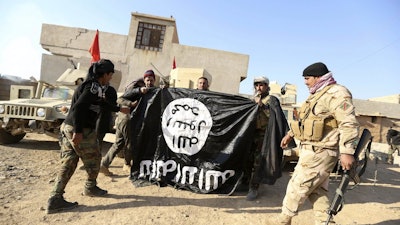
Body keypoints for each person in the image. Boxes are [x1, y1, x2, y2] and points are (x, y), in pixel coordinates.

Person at [271, 62, 360, 225]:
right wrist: (290, 134)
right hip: (310, 151)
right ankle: (325, 222)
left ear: (318, 77)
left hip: (321, 152)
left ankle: (283, 220)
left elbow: (348, 123)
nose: (305, 82)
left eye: (307, 78)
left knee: (296, 188)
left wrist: (347, 151)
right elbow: (306, 120)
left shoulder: (338, 93)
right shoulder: (317, 94)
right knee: (317, 192)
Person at [46, 59, 129, 214]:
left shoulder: (93, 86)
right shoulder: (93, 87)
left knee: (70, 161)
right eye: (110, 74)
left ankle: (55, 198)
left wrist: (119, 108)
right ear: (105, 74)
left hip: (68, 127)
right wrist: (78, 132)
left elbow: (102, 103)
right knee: (95, 158)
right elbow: (79, 108)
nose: (111, 77)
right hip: (81, 129)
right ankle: (90, 187)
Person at [241, 76, 291, 201]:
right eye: (257, 85)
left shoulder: (271, 100)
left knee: (259, 162)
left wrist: (261, 105)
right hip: (252, 135)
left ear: (267, 86)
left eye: (262, 85)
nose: (259, 87)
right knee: (247, 158)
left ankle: (254, 187)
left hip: (265, 136)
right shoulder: (252, 99)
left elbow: (274, 117)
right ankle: (245, 182)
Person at [99, 78, 145, 176]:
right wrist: (131, 104)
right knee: (129, 143)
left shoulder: (135, 88)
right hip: (127, 120)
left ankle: (104, 164)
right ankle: (127, 164)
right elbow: (120, 99)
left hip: (121, 120)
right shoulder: (135, 90)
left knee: (118, 143)